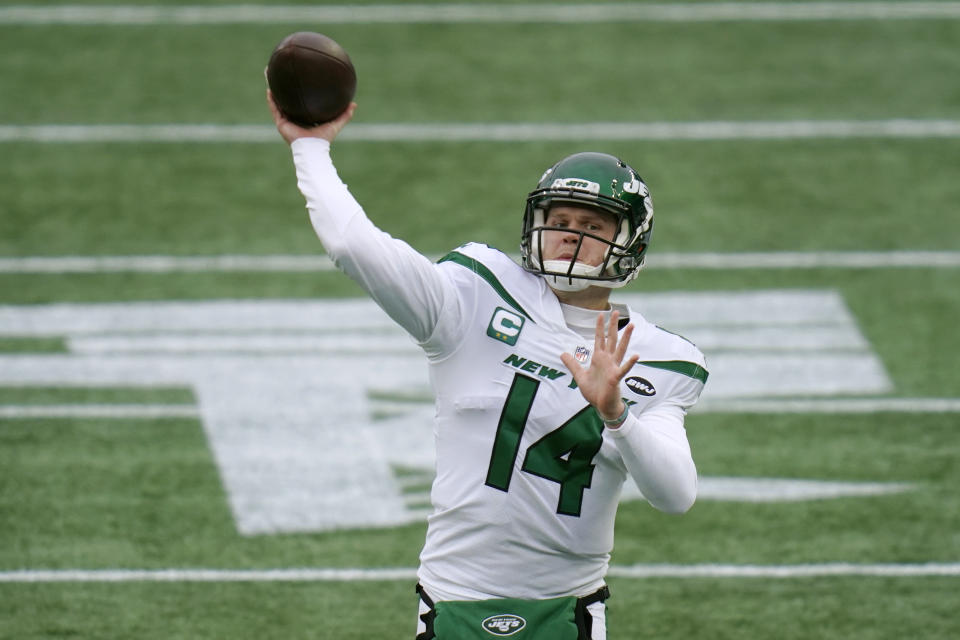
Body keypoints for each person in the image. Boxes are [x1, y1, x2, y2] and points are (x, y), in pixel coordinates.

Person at [268, 93, 708, 640]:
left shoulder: (657, 357)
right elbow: (356, 248)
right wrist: (310, 148)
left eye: (593, 225)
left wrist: (617, 414)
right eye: (560, 218)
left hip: (568, 606)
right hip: (454, 596)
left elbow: (676, 495)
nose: (571, 233)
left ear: (628, 242)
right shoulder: (474, 297)